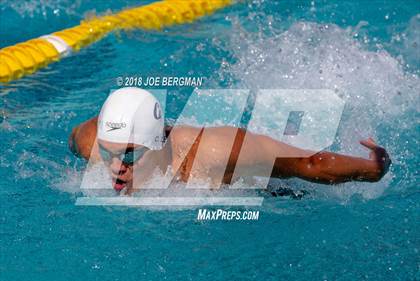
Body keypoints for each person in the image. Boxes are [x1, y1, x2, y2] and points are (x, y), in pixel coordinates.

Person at [69, 87, 391, 194]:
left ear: (155, 143)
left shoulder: (214, 153)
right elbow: (81, 136)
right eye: (109, 152)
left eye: (126, 156)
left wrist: (372, 169)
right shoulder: (93, 146)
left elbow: (309, 162)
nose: (114, 168)